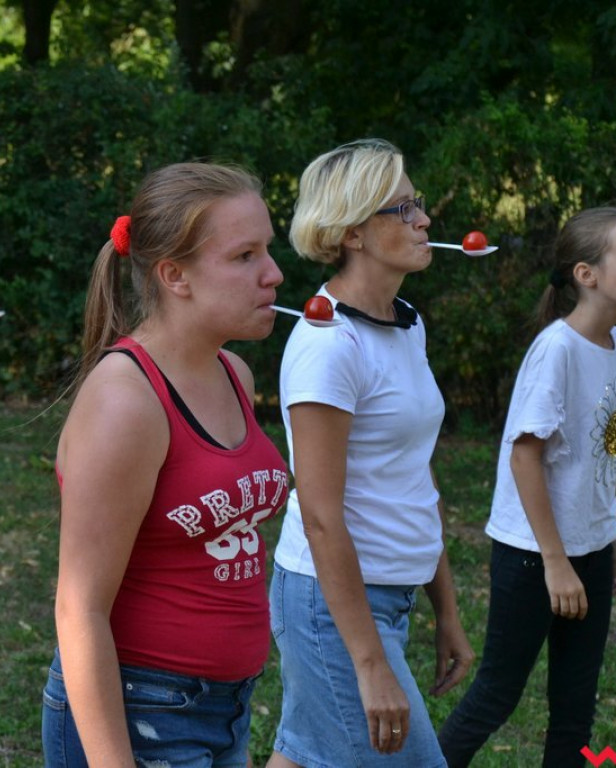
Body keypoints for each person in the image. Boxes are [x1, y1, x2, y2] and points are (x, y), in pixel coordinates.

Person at [40, 162, 290, 767]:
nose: (274, 274)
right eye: (244, 256)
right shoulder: (127, 401)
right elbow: (79, 607)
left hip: (227, 707)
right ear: (174, 275)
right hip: (143, 711)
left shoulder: (234, 372)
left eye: (268, 251)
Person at [265, 138, 474, 768]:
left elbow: (413, 477)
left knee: (300, 756)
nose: (424, 221)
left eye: (419, 205)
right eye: (403, 209)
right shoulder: (330, 344)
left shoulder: (405, 322)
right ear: (353, 231)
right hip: (334, 606)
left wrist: (446, 609)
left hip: (387, 594)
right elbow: (321, 512)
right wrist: (370, 664)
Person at [437, 208, 616, 767]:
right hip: (535, 556)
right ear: (586, 274)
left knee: (576, 706)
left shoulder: (613, 342)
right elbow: (524, 458)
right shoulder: (556, 350)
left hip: (592, 549)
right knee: (496, 695)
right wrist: (556, 561)